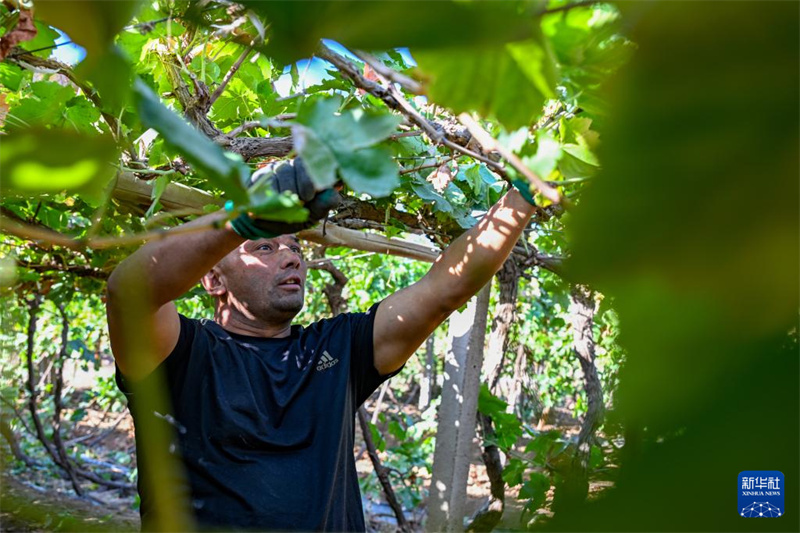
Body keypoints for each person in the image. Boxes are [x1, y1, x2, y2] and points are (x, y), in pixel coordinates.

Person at [107, 159, 538, 531]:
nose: (292, 257)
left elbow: (447, 287)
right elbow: (128, 293)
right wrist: (238, 219)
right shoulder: (181, 355)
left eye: (295, 247)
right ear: (214, 280)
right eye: (265, 246)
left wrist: (526, 191)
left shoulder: (339, 349)